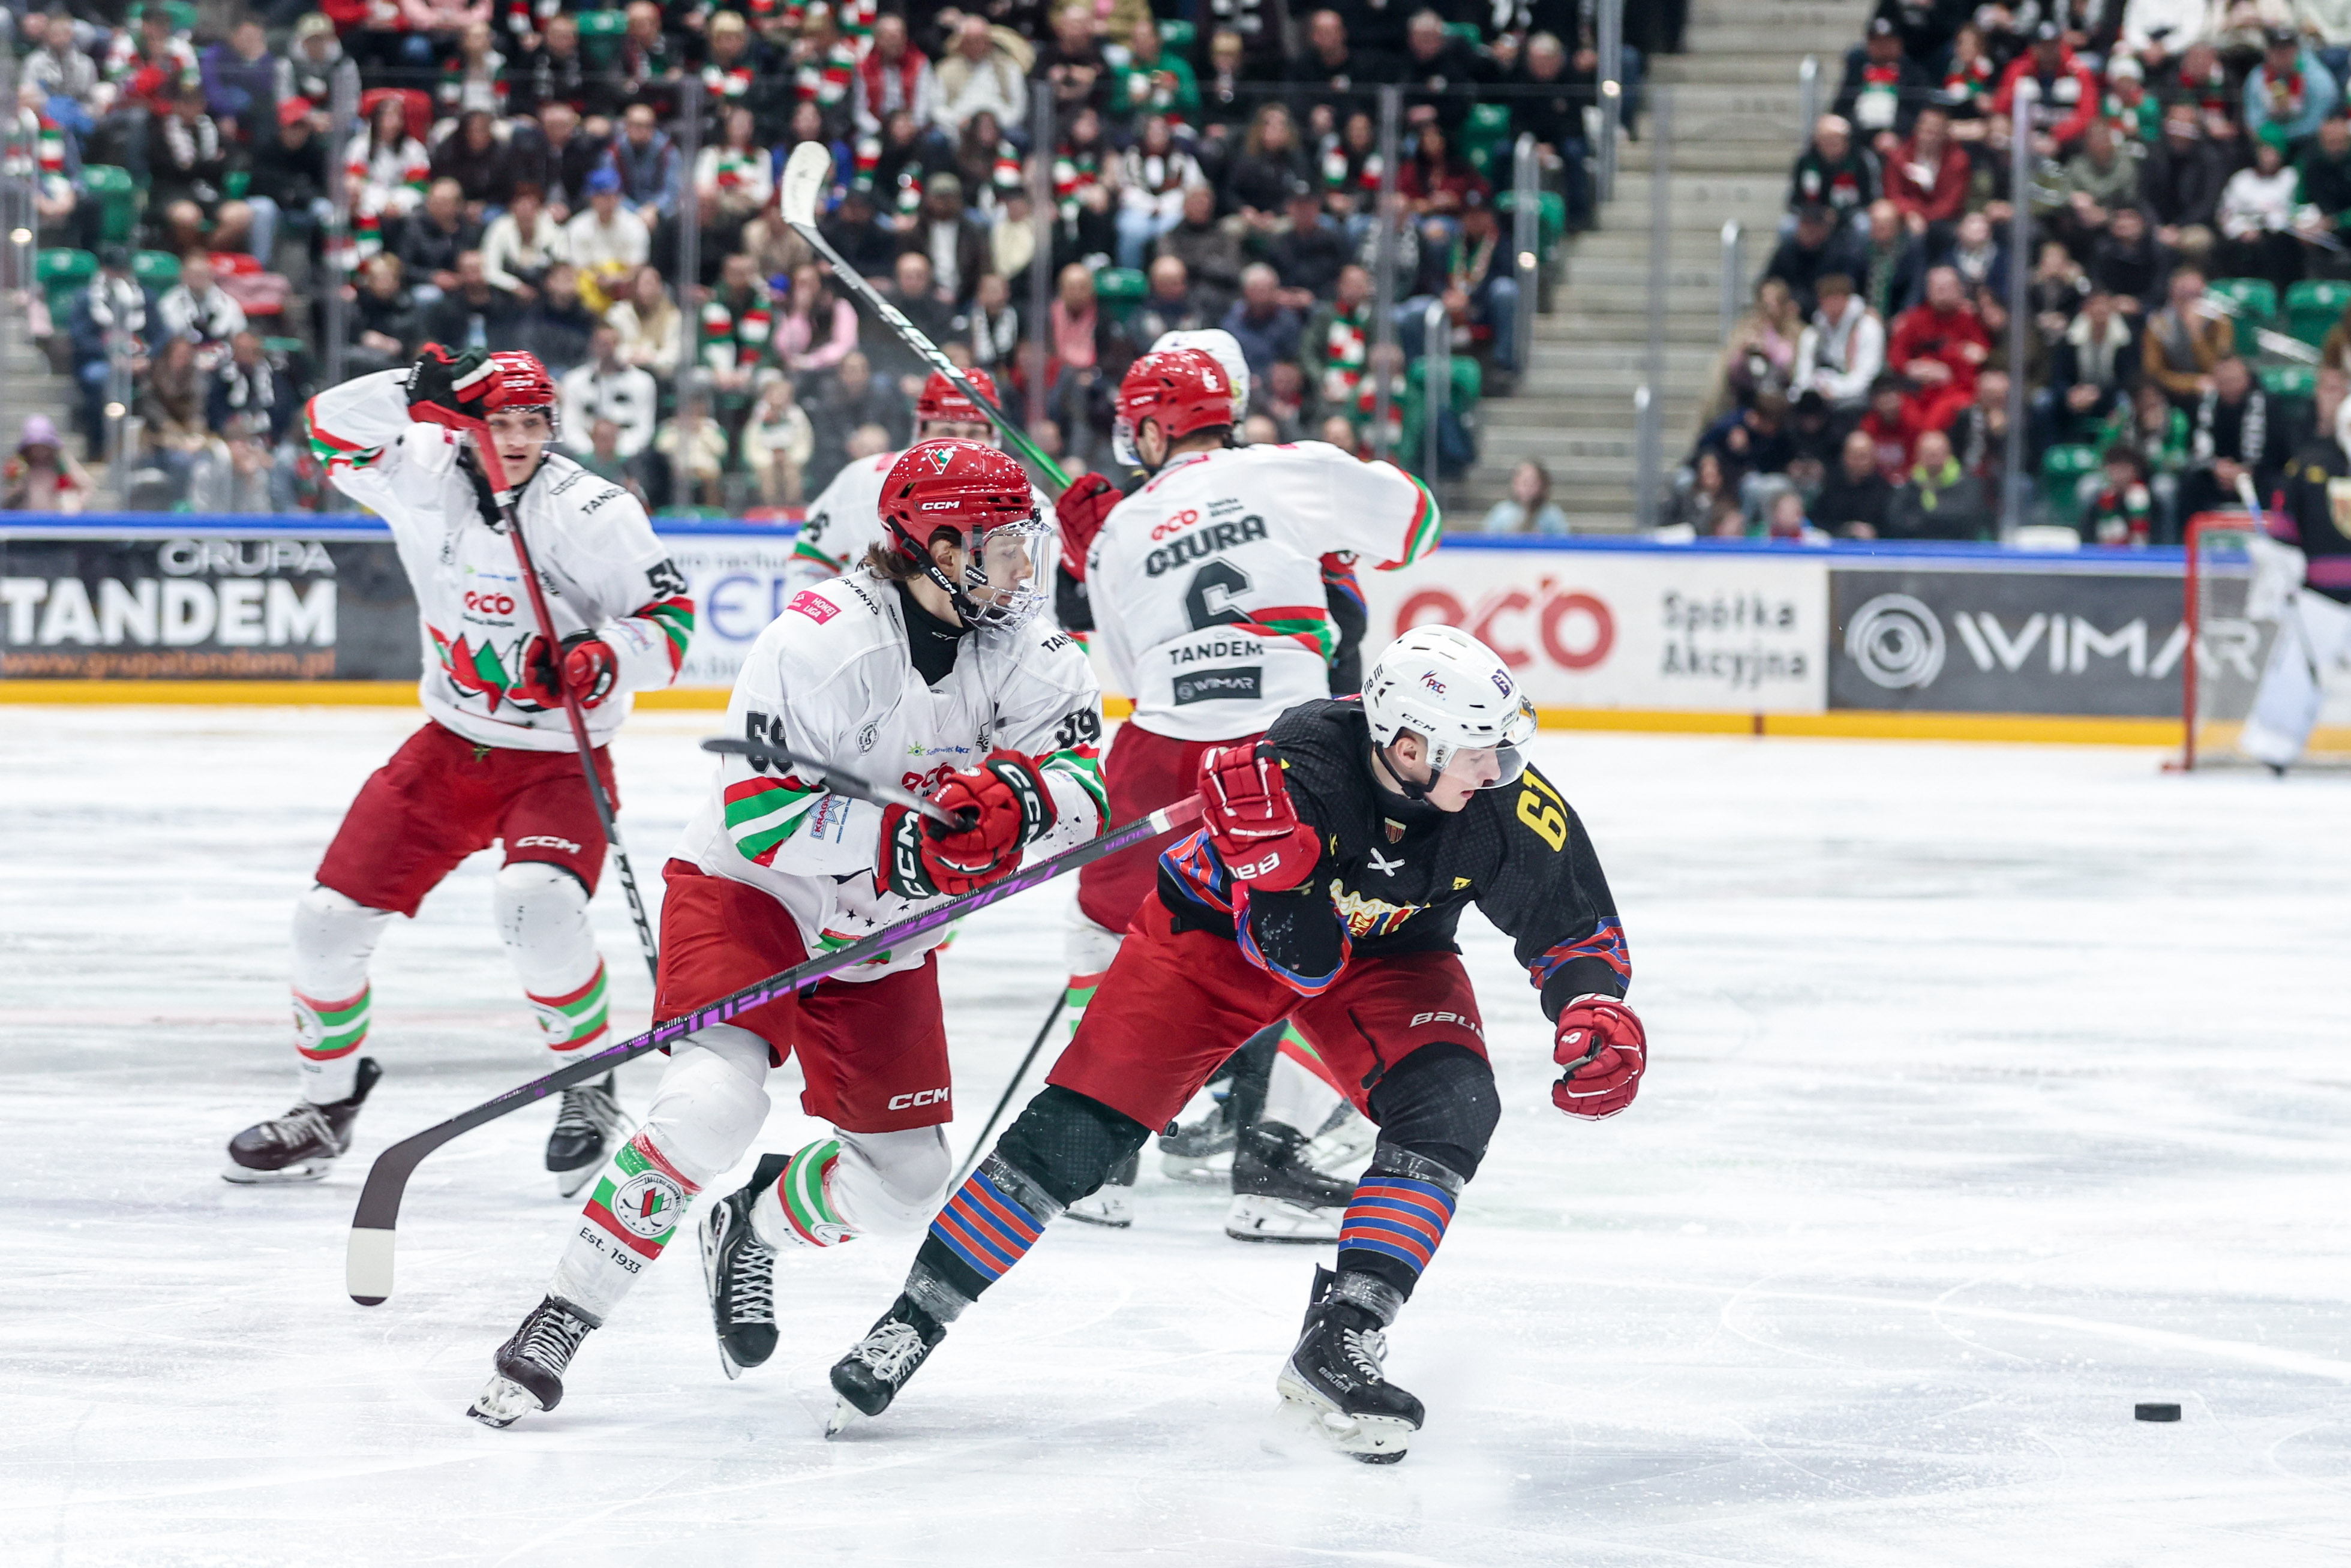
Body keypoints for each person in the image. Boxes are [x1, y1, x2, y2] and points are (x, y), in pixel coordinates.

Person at [816, 621, 1638, 1463]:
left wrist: (1591, 1005)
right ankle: (912, 1319)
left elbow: (1577, 928)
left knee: (1453, 1107)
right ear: (1407, 746)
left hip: (1389, 954)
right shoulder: (1304, 765)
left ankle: (1341, 1336)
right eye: (1477, 753)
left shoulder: (1501, 806)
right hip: (1210, 943)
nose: (1498, 769)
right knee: (1076, 1135)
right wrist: (1277, 874)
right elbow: (1296, 952)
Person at [467, 439, 1107, 1424]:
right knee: (709, 1106)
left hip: (884, 931)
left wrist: (1023, 805)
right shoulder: (819, 640)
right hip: (753, 892)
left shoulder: (1032, 651)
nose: (1027, 566)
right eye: (1006, 544)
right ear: (941, 547)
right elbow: (761, 814)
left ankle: (752, 1224)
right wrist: (908, 843)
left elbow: (1086, 794)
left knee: (907, 1183)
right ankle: (562, 1313)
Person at [222, 346, 695, 1190]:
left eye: (532, 423)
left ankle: (587, 1086)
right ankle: (325, 1107)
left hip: (557, 759)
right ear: (465, 423)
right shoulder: (420, 470)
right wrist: (413, 389)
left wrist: (601, 657)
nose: (516, 439)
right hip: (448, 747)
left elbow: (672, 619)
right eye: (498, 421)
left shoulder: (595, 509)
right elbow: (328, 428)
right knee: (325, 922)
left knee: (536, 905)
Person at [1031, 346, 1443, 1239]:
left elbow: (1128, 669)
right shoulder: (1292, 469)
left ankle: (1099, 1158)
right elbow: (1418, 521)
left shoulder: (1118, 528)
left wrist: (1104, 548)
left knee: (1105, 931)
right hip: (1294, 746)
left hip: (1162, 743)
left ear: (1152, 428)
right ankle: (1274, 1161)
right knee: (1346, 943)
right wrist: (1327, 540)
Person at [1792, 273, 1886, 414]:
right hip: (1819, 396)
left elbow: (1867, 376)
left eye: (1836, 298)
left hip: (1857, 399)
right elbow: (1802, 376)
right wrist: (1812, 389)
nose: (1831, 304)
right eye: (1826, 298)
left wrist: (1835, 389)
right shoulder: (1813, 333)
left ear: (1847, 299)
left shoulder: (1868, 328)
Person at [1813, 427, 1894, 538]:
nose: (1859, 462)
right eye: (1854, 456)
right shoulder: (1829, 486)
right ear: (1844, 457)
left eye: (1863, 457)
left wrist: (1874, 532)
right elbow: (1818, 521)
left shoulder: (1884, 490)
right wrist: (1845, 529)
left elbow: (1891, 527)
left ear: (1873, 458)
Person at [1480, 458, 1569, 534]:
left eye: (1533, 483)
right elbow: (1488, 540)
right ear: (1515, 483)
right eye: (1524, 482)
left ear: (1543, 485)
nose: (1528, 488)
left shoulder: (1552, 515)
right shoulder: (1502, 512)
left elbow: (1562, 541)